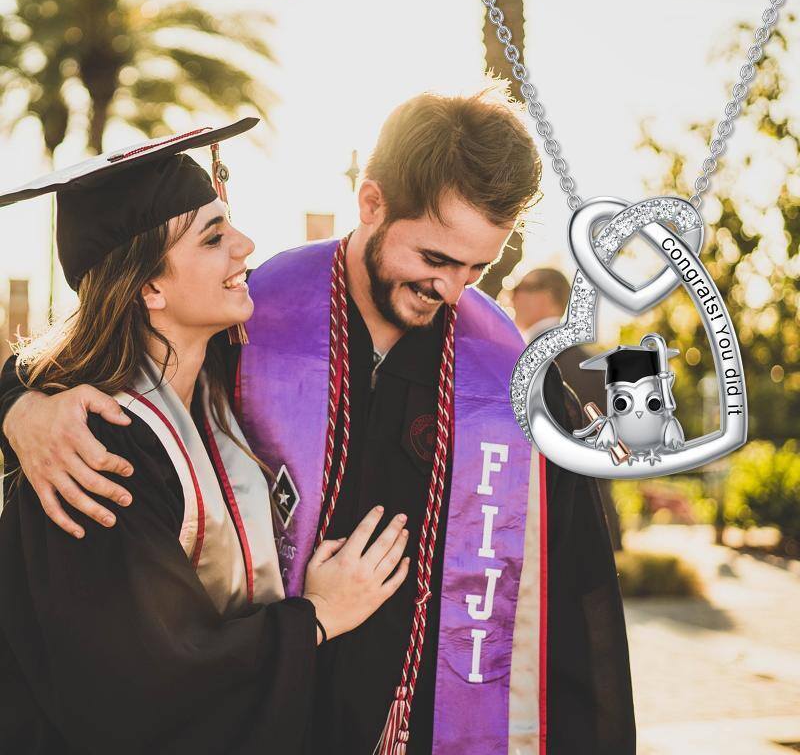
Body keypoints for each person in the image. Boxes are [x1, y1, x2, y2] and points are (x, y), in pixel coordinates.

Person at [1, 89, 636, 754]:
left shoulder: (511, 382)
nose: (452, 290)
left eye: (480, 268)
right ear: (371, 204)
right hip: (257, 721)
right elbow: (100, 346)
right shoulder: (251, 321)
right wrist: (18, 406)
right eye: (434, 259)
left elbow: (575, 608)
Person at [0, 120, 410, 755]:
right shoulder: (97, 452)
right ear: (149, 287)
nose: (245, 245)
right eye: (214, 238)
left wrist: (14, 403)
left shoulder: (221, 387)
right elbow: (146, 684)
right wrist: (317, 620)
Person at [511, 267, 624, 550]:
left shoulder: (522, 358)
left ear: (545, 297)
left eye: (518, 288)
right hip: (590, 519)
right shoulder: (595, 363)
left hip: (542, 521)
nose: (510, 297)